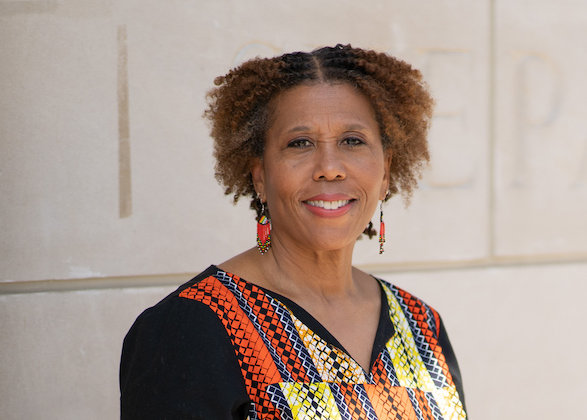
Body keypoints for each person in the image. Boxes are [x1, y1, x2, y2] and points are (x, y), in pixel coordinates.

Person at [119, 45, 467, 420]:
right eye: (299, 143)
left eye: (353, 140)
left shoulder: (420, 324)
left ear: (385, 172)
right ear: (259, 176)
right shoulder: (194, 326)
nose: (329, 168)